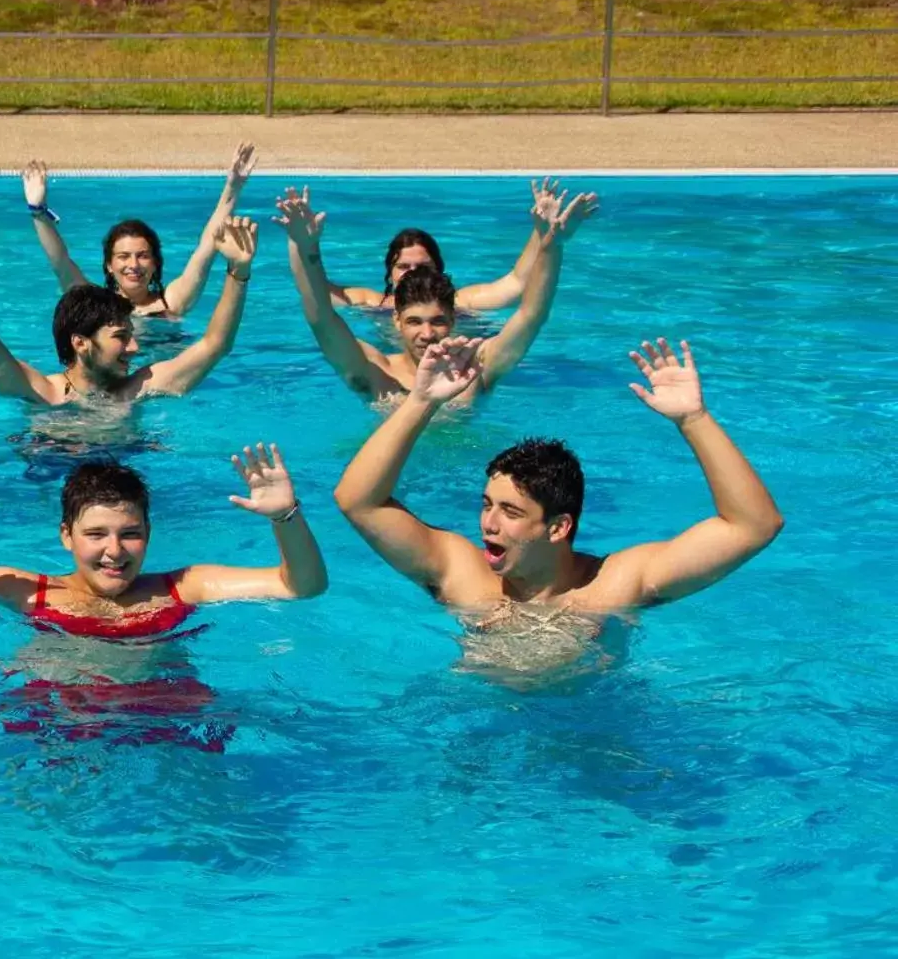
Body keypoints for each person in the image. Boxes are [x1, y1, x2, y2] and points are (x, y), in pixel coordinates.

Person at [332, 336, 783, 673]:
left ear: (558, 527)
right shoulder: (461, 575)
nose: (488, 523)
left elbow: (754, 526)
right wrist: (421, 403)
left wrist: (694, 420)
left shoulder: (616, 586)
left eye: (510, 512)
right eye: (487, 504)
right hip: (480, 729)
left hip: (588, 735)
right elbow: (357, 502)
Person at [0, 424, 327, 634]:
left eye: (129, 533)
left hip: (165, 723)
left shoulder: (185, 586)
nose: (114, 550)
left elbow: (301, 586)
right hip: (54, 724)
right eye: (96, 534)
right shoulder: (25, 590)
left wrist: (285, 516)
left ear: (148, 533)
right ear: (65, 535)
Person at [273, 184, 596, 402]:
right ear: (397, 320)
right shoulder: (375, 371)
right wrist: (304, 245)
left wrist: (552, 244)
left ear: (453, 319)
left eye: (438, 321)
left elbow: (531, 315)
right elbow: (321, 317)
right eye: (415, 321)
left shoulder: (477, 368)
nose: (427, 334)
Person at [0, 212, 257, 407]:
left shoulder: (139, 388)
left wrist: (238, 271)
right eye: (122, 336)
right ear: (80, 342)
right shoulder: (43, 393)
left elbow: (216, 344)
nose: (134, 348)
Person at [21, 142, 257, 319]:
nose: (133, 265)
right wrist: (38, 211)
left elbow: (207, 246)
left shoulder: (173, 302)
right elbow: (60, 262)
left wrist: (233, 187)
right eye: (123, 256)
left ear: (155, 263)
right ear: (109, 266)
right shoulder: (95, 306)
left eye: (143, 256)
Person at [318, 178, 572, 313]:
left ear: (438, 269)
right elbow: (315, 292)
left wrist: (541, 231)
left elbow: (518, 283)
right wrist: (303, 242)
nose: (413, 271)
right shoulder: (374, 304)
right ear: (390, 272)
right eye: (404, 266)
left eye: (423, 265)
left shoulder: (462, 303)